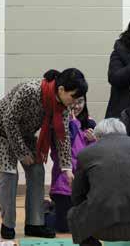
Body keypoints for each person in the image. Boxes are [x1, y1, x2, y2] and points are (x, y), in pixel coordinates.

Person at [0, 68, 88, 239]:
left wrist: (67, 168)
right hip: (0, 130)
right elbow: (9, 120)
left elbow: (63, 138)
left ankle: (34, 223)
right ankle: (7, 224)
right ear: (61, 90)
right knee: (9, 174)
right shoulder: (30, 90)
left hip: (24, 133)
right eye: (73, 96)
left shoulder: (62, 106)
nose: (74, 103)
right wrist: (22, 152)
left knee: (37, 170)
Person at [50, 95, 96, 233]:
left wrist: (94, 140)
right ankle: (46, 211)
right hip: (63, 184)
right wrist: (74, 125)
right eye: (73, 102)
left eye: (81, 102)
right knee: (64, 228)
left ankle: (54, 208)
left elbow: (94, 155)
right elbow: (70, 152)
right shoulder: (59, 123)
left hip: (84, 184)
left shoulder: (90, 123)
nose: (77, 106)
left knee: (85, 225)